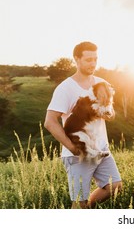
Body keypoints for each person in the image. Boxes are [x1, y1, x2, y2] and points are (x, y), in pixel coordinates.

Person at [44, 41, 122, 209]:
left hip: (102, 150)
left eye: (95, 59)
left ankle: (87, 208)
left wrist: (108, 112)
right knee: (79, 202)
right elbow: (50, 122)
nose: (93, 63)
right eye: (88, 60)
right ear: (76, 59)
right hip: (78, 153)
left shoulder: (102, 83)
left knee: (115, 186)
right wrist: (72, 148)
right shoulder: (65, 88)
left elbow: (111, 113)